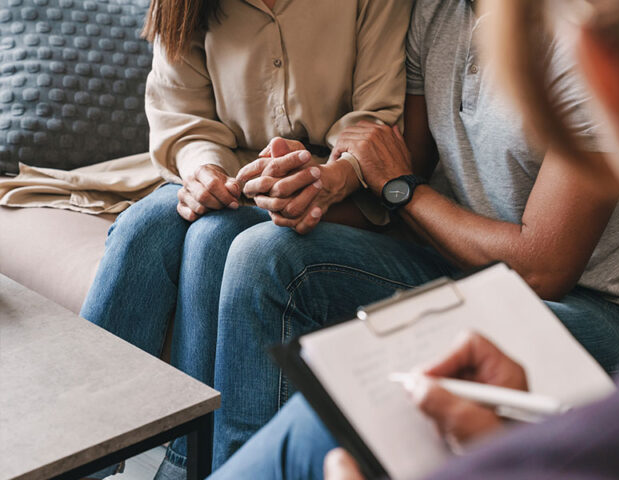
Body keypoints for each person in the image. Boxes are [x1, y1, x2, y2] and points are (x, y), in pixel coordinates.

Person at [225, 0, 619, 478]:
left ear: (613, 80)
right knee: (263, 252)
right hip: (458, 267)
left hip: (589, 307)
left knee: (318, 423)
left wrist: (400, 190)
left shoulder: (574, 32)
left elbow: (543, 267)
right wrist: (320, 189)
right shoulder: (435, 12)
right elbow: (411, 163)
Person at [78, 0, 412, 478]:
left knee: (215, 235)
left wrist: (327, 173)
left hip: (334, 185)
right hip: (231, 172)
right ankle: (69, 459)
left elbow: (375, 118)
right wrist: (203, 171)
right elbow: (182, 116)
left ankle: (184, 466)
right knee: (143, 227)